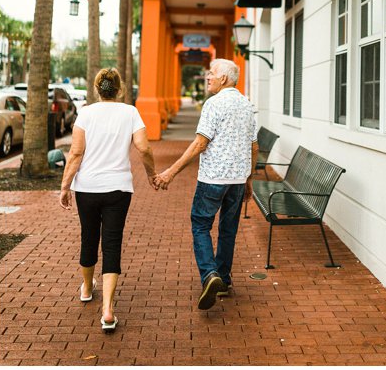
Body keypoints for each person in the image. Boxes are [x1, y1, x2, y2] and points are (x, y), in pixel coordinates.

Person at [59, 68, 158, 333]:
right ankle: (107, 310)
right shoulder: (130, 112)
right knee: (112, 243)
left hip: (88, 188)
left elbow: (76, 152)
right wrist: (152, 175)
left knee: (89, 236)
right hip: (118, 189)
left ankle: (88, 288)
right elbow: (144, 148)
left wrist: (65, 186)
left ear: (96, 89)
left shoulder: (87, 113)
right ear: (120, 89)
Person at [155, 58, 258, 310]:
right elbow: (254, 146)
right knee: (228, 229)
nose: (207, 78)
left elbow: (200, 143)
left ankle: (210, 274)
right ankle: (224, 278)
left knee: (200, 225)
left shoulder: (214, 104)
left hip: (213, 179)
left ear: (223, 79)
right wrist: (249, 179)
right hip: (237, 180)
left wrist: (171, 171)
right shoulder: (247, 105)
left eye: (211, 74)